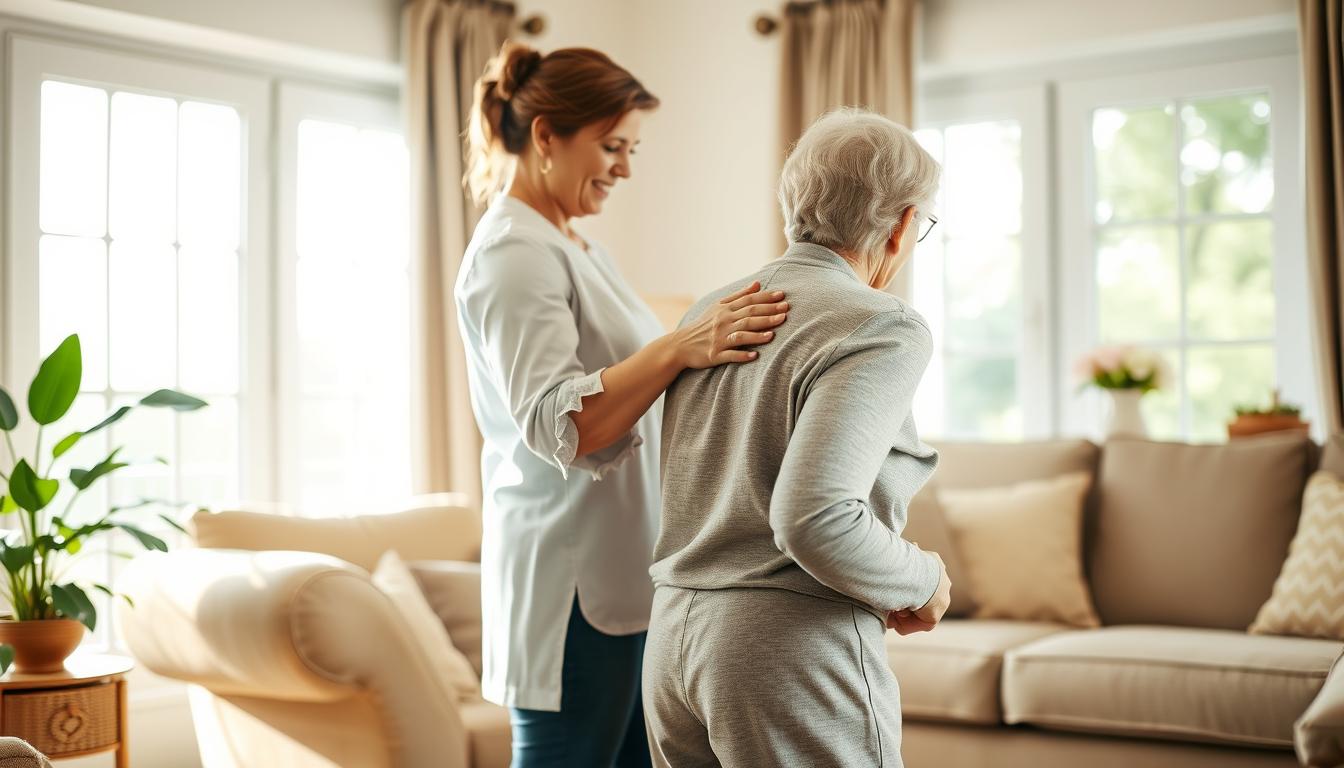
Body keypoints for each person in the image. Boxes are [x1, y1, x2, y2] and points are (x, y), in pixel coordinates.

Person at [454, 42, 790, 767]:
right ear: (546, 135)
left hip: (625, 574)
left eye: (631, 148)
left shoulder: (576, 247)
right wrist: (677, 347)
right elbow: (556, 422)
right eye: (612, 146)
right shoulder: (514, 255)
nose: (625, 168)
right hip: (570, 590)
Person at [643, 107, 953, 767]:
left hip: (673, 641)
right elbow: (815, 518)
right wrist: (921, 579)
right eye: (921, 225)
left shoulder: (712, 311)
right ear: (900, 226)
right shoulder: (881, 324)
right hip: (782, 647)